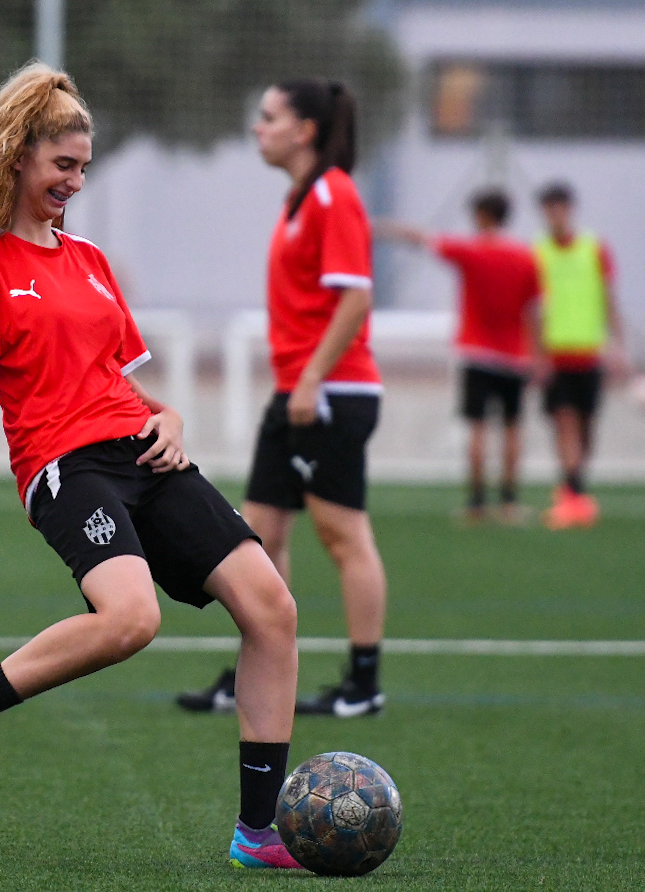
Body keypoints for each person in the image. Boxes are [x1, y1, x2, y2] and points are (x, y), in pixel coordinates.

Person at [0, 63, 304, 871]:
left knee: (272, 611)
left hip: (143, 450)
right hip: (66, 469)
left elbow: (117, 376)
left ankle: (258, 833)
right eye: (61, 166)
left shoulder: (91, 261)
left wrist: (169, 415)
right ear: (17, 158)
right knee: (130, 619)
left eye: (83, 167)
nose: (74, 181)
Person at [177, 79, 388, 719]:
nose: (257, 127)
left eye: (268, 117)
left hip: (328, 393)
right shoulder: (301, 197)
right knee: (257, 537)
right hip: (296, 392)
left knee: (342, 535)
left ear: (306, 131)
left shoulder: (334, 194)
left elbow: (356, 297)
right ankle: (258, 671)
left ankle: (363, 684)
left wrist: (313, 378)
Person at [377, 189, 541, 523]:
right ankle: (509, 502)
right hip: (515, 355)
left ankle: (477, 503)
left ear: (481, 215)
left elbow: (422, 239)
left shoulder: (471, 251)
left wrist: (381, 227)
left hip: (477, 352)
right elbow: (534, 311)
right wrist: (538, 355)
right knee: (512, 428)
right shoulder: (526, 257)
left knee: (477, 427)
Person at [534, 182, 627, 529]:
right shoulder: (537, 252)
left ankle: (572, 485)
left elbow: (610, 299)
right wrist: (534, 354)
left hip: (589, 353)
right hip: (554, 354)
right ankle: (575, 495)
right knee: (564, 422)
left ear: (570, 210)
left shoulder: (594, 249)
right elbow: (531, 308)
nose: (555, 215)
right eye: (549, 209)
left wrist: (618, 344)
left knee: (587, 428)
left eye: (560, 208)